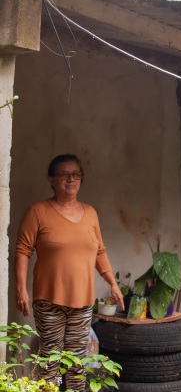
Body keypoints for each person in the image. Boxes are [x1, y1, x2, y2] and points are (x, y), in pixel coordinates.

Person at [15, 154, 124, 391]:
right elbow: (22, 250)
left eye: (76, 174)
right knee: (51, 360)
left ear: (81, 179)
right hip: (49, 300)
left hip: (82, 302)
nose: (71, 179)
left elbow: (100, 251)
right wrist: (21, 288)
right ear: (52, 180)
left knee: (77, 362)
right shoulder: (38, 212)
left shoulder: (91, 213)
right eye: (64, 174)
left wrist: (113, 283)